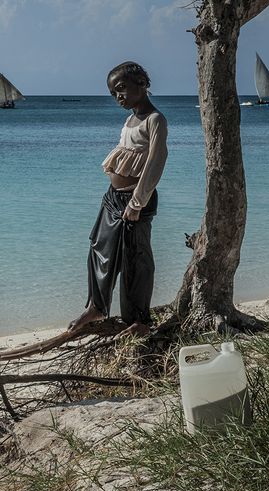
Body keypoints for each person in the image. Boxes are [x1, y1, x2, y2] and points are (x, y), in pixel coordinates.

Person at [68, 61, 168, 337]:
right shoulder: (130, 119)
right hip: (113, 198)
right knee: (99, 247)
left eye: (122, 88)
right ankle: (96, 305)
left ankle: (138, 319)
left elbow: (155, 163)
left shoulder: (154, 119)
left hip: (136, 201)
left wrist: (137, 202)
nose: (118, 96)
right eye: (114, 93)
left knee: (135, 260)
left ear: (143, 84)